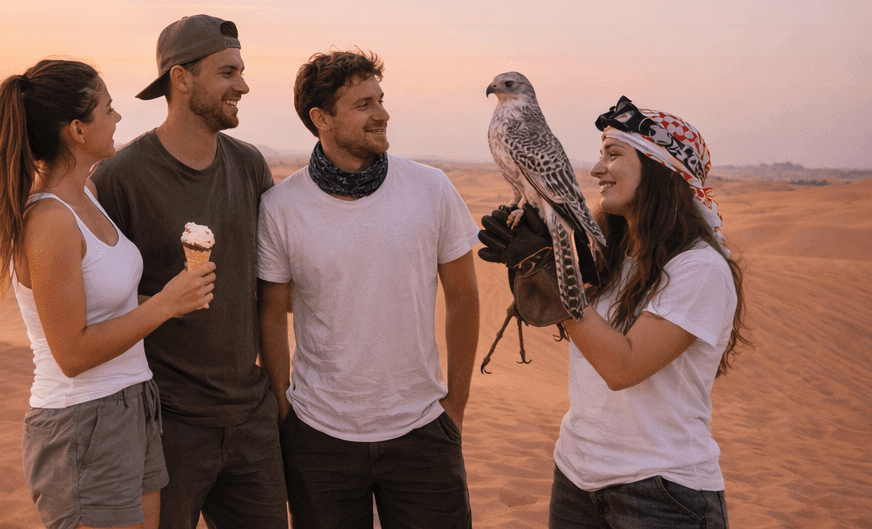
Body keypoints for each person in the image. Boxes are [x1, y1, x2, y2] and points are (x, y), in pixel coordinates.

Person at [483, 97, 745, 529]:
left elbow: (622, 366)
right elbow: (566, 324)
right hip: (575, 478)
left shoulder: (699, 269)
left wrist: (558, 284)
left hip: (661, 493)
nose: (597, 169)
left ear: (661, 170)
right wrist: (535, 265)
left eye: (614, 154)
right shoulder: (617, 257)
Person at [0, 58, 217, 529]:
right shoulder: (50, 221)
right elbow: (71, 353)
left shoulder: (88, 193)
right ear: (77, 129)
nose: (117, 119)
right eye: (108, 109)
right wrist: (166, 304)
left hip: (134, 402)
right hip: (82, 421)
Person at [257, 49, 480, 529]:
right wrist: (284, 413)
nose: (382, 113)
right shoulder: (282, 207)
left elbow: (463, 295)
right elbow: (272, 312)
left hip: (422, 430)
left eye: (380, 99)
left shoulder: (431, 188)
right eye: (363, 105)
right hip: (318, 436)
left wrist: (455, 404)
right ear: (321, 118)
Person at [91, 15, 289, 529]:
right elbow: (97, 305)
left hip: (251, 421)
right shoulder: (119, 178)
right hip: (165, 426)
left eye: (241, 70)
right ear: (181, 79)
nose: (242, 84)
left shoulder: (250, 166)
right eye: (227, 72)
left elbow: (273, 289)